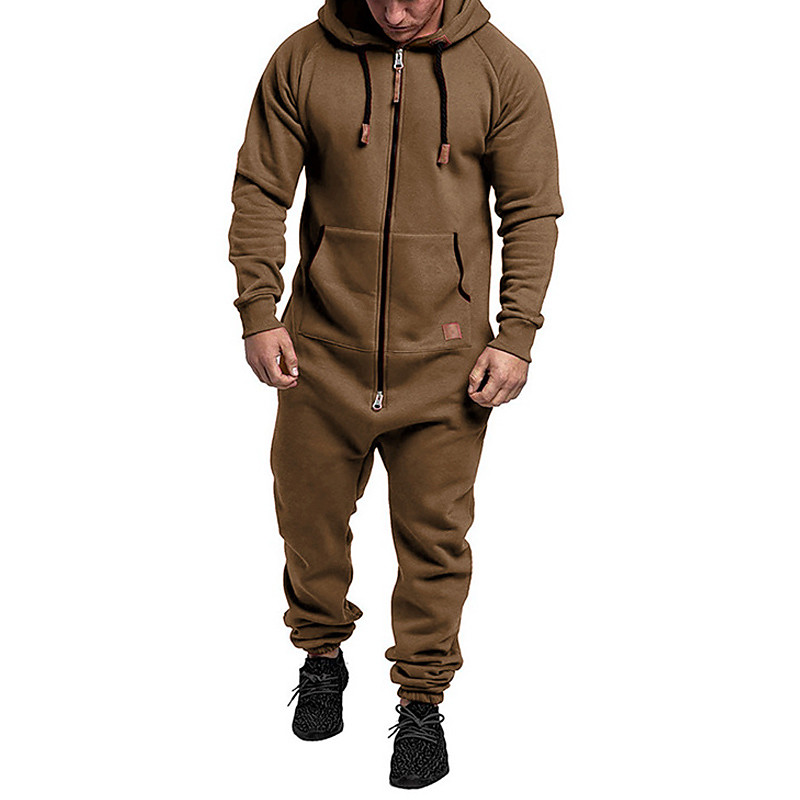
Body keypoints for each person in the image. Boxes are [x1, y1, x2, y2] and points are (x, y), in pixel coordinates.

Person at [227, 0, 563, 788]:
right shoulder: (302, 58)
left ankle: (422, 701)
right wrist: (258, 312)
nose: (395, 11)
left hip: (447, 363)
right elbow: (260, 190)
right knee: (307, 524)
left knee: (435, 543)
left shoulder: (502, 69)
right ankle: (321, 655)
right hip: (319, 352)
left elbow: (531, 211)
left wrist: (516, 334)